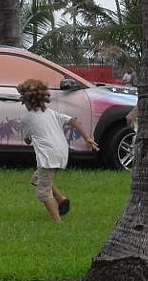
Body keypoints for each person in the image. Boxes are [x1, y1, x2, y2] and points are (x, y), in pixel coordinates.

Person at [19, 78, 95, 221]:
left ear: (25, 100)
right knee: (38, 179)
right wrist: (87, 138)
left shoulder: (26, 118)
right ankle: (61, 199)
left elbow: (27, 140)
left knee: (43, 192)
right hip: (61, 154)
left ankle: (57, 222)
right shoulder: (52, 113)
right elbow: (73, 121)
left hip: (48, 158)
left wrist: (29, 137)